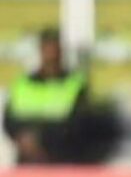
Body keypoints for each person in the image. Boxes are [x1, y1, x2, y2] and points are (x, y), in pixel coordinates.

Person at [3, 28, 88, 165]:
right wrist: (25, 140)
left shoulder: (76, 85)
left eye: (54, 50)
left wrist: (42, 139)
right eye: (47, 50)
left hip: (61, 161)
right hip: (27, 162)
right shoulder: (22, 84)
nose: (51, 56)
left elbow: (78, 125)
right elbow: (9, 122)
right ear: (40, 51)